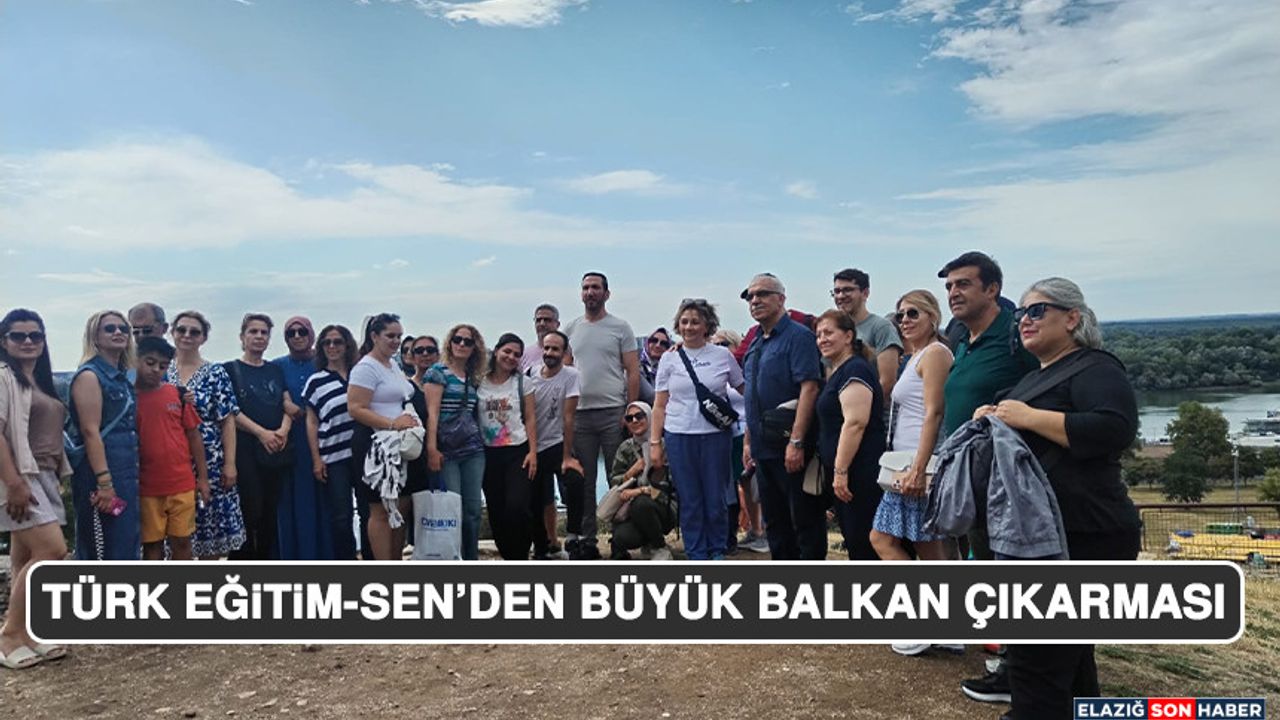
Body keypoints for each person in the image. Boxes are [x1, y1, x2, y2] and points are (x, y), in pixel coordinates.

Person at [968, 278, 1142, 719]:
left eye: (1037, 310)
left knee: (1036, 661)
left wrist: (1028, 416)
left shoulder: (1096, 368)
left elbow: (1114, 428)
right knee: (1068, 656)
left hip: (1083, 532)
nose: (1024, 320)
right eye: (1020, 313)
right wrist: (991, 414)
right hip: (1044, 535)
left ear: (1072, 318)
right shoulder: (1035, 377)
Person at [0, 309, 71, 669]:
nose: (28, 341)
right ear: (4, 341)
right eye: (18, 335)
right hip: (18, 477)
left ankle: (27, 632)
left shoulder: (38, 380)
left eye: (35, 336)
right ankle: (9, 635)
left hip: (42, 475)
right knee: (53, 550)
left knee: (24, 557)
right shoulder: (3, 376)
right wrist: (14, 483)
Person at [650, 299, 744, 560]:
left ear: (707, 325)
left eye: (695, 322)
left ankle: (717, 548)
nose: (689, 327)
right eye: (684, 322)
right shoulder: (669, 358)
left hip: (716, 436)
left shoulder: (722, 356)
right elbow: (659, 404)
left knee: (716, 496)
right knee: (690, 498)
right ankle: (696, 551)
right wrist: (655, 443)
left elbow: (742, 388)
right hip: (679, 434)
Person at [740, 274, 824, 560]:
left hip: (790, 445)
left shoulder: (799, 337)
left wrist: (797, 441)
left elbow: (809, 388)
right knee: (775, 524)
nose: (755, 300)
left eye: (763, 294)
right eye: (750, 296)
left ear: (781, 299)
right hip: (762, 449)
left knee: (803, 521)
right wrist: (748, 442)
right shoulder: (755, 341)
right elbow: (752, 396)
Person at [871, 291, 956, 564]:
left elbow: (935, 412)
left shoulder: (935, 354)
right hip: (906, 462)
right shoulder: (917, 355)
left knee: (883, 540)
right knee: (928, 548)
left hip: (919, 464)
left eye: (912, 313)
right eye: (900, 316)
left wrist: (918, 469)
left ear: (932, 317)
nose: (904, 320)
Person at [564, 272, 640, 560]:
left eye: (595, 287)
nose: (590, 292)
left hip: (613, 412)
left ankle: (620, 540)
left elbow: (632, 371)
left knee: (618, 480)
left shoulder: (620, 327)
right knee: (585, 482)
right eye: (585, 287)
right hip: (581, 415)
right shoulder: (572, 328)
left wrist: (630, 410)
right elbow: (566, 372)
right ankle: (588, 540)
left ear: (606, 293)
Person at [165, 310, 245, 560]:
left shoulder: (215, 373)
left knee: (210, 530)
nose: (187, 335)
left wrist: (230, 464)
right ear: (172, 333)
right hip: (171, 460)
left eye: (194, 332)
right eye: (182, 330)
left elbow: (227, 421)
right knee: (175, 535)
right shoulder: (162, 370)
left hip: (210, 462)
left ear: (204, 338)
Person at [347, 314, 422, 561]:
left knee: (400, 506)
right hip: (374, 445)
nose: (396, 341)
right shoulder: (365, 368)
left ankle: (396, 560)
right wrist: (392, 424)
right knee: (380, 510)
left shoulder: (393, 365)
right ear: (374, 336)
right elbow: (355, 408)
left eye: (399, 336)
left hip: (399, 446)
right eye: (390, 336)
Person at [68, 310, 141, 561]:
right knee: (102, 548)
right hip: (102, 474)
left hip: (125, 471)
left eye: (123, 328)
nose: (118, 332)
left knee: (124, 544)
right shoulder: (89, 376)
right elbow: (90, 431)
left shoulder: (121, 377)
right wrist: (105, 482)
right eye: (109, 328)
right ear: (94, 337)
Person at [813, 310, 885, 561]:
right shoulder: (839, 370)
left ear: (848, 336)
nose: (822, 339)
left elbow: (855, 423)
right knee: (855, 541)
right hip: (847, 471)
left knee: (863, 541)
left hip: (859, 472)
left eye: (828, 332)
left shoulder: (855, 369)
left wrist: (841, 471)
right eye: (818, 334)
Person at [225, 313, 298, 560]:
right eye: (253, 332)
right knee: (249, 511)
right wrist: (261, 433)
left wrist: (282, 431)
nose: (258, 337)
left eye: (263, 332)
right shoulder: (229, 370)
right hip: (244, 450)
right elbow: (229, 411)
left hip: (275, 450)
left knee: (270, 512)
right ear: (242, 337)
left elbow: (287, 403)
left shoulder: (274, 370)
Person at [134, 336, 210, 561]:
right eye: (150, 363)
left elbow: (194, 436)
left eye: (163, 366)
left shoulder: (176, 394)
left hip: (181, 483)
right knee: (152, 545)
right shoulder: (128, 398)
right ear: (136, 360)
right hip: (147, 486)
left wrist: (203, 478)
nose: (156, 370)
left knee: (183, 542)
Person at [424, 323, 487, 560]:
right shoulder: (437, 373)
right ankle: (453, 557)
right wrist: (431, 449)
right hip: (447, 450)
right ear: (449, 343)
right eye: (457, 339)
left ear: (474, 347)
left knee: (473, 509)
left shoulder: (474, 377)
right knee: (452, 508)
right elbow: (432, 414)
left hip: (473, 450)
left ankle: (470, 558)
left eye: (468, 342)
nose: (462, 344)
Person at [272, 316, 332, 560]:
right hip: (290, 444)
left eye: (302, 332)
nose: (297, 336)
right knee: (291, 502)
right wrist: (285, 404)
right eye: (291, 333)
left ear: (311, 334)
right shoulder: (276, 366)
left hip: (324, 442)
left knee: (325, 503)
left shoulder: (325, 363)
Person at [477, 333, 539, 560]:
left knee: (517, 505)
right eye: (507, 351)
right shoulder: (479, 381)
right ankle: (509, 556)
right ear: (497, 351)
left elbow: (530, 418)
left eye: (517, 354)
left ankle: (521, 553)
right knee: (496, 508)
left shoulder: (522, 383)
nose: (511, 357)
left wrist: (533, 452)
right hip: (487, 452)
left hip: (517, 450)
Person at [303, 325, 359, 560]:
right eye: (327, 342)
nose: (332, 346)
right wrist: (316, 459)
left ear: (347, 345)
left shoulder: (360, 375)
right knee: (341, 516)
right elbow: (312, 422)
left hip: (364, 454)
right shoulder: (315, 382)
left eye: (337, 342)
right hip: (334, 457)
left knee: (369, 512)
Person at [527, 330, 583, 560]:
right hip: (533, 445)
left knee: (575, 480)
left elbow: (569, 417)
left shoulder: (571, 376)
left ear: (564, 352)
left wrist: (567, 456)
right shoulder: (530, 374)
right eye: (547, 348)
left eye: (555, 349)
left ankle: (573, 536)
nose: (550, 353)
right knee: (536, 498)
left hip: (556, 442)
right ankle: (543, 546)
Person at [713, 328, 766, 554]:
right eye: (715, 345)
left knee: (754, 481)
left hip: (747, 430)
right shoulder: (718, 372)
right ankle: (754, 529)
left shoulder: (746, 371)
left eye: (724, 344)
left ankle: (762, 530)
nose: (719, 348)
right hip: (728, 434)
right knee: (742, 483)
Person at [608, 401, 676, 561]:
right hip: (632, 509)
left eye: (639, 416)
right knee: (622, 537)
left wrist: (639, 491)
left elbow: (671, 484)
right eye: (629, 418)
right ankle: (650, 542)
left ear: (650, 417)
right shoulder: (625, 448)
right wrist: (630, 473)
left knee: (641, 504)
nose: (634, 421)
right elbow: (614, 482)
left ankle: (659, 547)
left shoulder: (664, 446)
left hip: (664, 506)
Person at [831, 269, 904, 400]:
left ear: (865, 293)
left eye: (847, 290)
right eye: (837, 291)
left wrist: (863, 408)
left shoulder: (881, 328)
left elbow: (887, 382)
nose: (841, 296)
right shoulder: (834, 331)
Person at [520, 304, 566, 373]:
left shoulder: (567, 353)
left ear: (557, 324)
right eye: (538, 320)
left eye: (547, 320)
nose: (542, 324)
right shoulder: (524, 354)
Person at [639, 327, 672, 403]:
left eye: (663, 343)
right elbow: (650, 395)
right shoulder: (636, 366)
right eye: (654, 340)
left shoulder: (670, 368)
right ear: (647, 343)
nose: (658, 345)